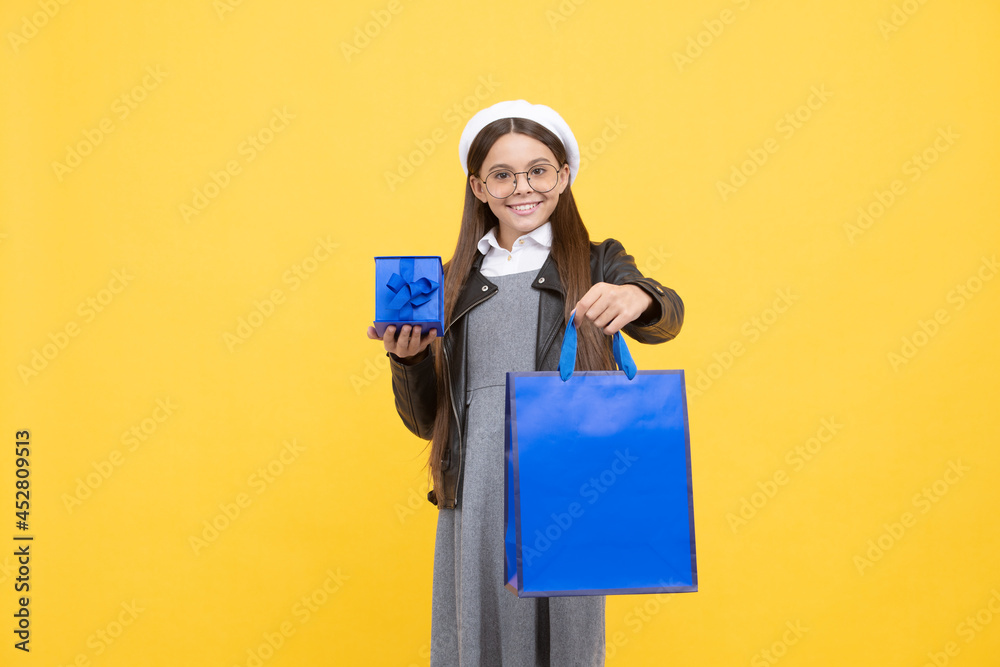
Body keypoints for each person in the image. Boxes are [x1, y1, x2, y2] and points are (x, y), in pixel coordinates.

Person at [367, 99, 683, 666]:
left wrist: (639, 297)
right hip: (476, 484)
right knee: (479, 638)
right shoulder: (447, 280)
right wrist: (408, 362)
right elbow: (425, 421)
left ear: (563, 176)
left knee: (566, 639)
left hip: (566, 479)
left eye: (539, 170)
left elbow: (668, 318)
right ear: (478, 186)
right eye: (503, 174)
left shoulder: (596, 260)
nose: (523, 187)